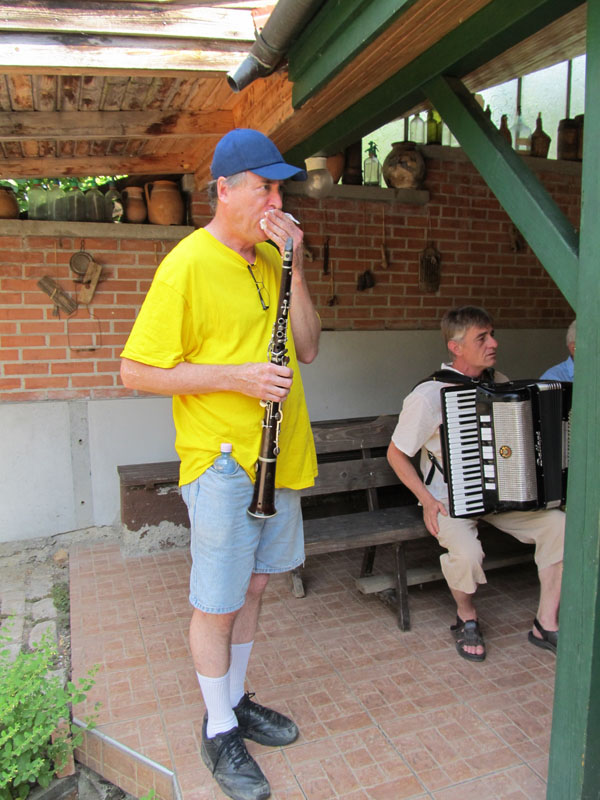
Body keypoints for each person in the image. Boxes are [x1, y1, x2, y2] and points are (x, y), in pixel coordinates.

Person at [120, 128, 321, 800]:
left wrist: (297, 265)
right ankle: (218, 728)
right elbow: (135, 371)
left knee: (255, 588)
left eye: (280, 189)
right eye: (265, 188)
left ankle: (233, 701)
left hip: (280, 456)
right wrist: (236, 377)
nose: (276, 201)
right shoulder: (185, 264)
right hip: (224, 462)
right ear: (224, 190)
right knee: (217, 602)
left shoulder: (270, 259)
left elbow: (308, 348)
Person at [387, 306, 564, 662]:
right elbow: (396, 454)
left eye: (492, 334)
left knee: (559, 526)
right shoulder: (429, 395)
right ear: (456, 347)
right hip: (448, 499)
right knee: (466, 554)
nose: (493, 343)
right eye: (482, 338)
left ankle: (545, 622)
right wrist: (427, 500)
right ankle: (466, 616)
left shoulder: (500, 382)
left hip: (502, 495)